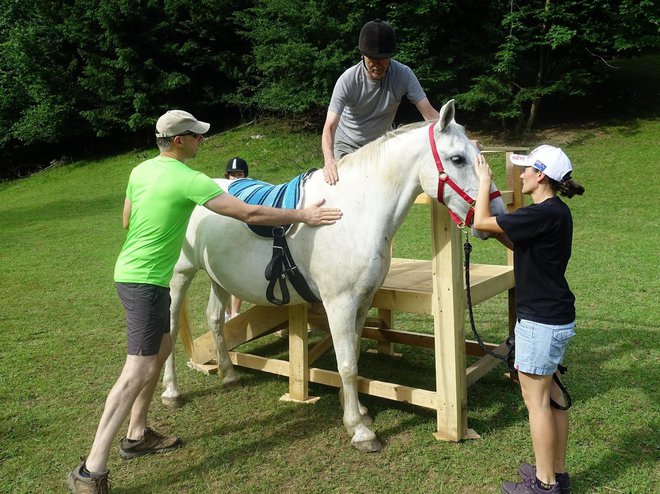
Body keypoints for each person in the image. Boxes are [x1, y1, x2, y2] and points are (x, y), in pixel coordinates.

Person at [66, 110, 342, 494]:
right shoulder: (189, 180)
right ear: (179, 140)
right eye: (196, 135)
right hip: (145, 283)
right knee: (138, 371)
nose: (202, 140)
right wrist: (303, 214)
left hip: (133, 274)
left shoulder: (140, 171)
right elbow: (250, 212)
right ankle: (91, 470)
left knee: (161, 352)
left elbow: (127, 220)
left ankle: (137, 434)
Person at [473, 145, 585, 494]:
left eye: (526, 170)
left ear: (540, 175)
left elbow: (478, 220)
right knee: (552, 398)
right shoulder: (554, 213)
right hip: (552, 317)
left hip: (540, 322)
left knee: (535, 402)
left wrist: (483, 181)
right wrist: (496, 232)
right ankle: (556, 474)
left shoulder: (540, 214)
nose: (521, 175)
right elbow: (521, 244)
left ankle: (544, 484)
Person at [321, 19, 439, 185]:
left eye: (383, 58)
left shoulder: (404, 74)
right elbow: (330, 126)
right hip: (347, 145)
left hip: (379, 146)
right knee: (350, 189)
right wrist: (329, 161)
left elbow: (430, 114)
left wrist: (460, 138)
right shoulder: (347, 80)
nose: (377, 64)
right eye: (372, 59)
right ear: (362, 55)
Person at [224, 156, 249, 319]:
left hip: (242, 237)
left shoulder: (250, 189)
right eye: (232, 174)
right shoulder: (223, 191)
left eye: (239, 174)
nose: (235, 177)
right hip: (224, 237)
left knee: (238, 275)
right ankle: (227, 312)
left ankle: (235, 313)